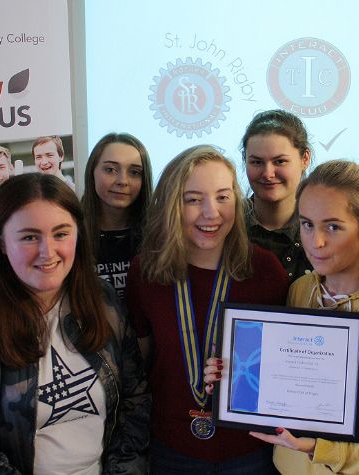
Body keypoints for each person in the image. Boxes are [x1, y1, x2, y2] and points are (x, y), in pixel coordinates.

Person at [207, 160, 359, 474]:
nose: (315, 242)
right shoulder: (301, 290)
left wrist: (325, 450)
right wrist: (233, 377)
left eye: (333, 227)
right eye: (306, 224)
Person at [0, 173, 150, 473]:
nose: (48, 252)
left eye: (61, 233)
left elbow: (135, 400)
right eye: (30, 236)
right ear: (2, 242)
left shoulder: (103, 302)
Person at [126, 145, 288, 473]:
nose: (211, 213)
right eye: (193, 199)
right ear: (172, 204)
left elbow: (286, 366)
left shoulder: (265, 270)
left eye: (223, 197)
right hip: (171, 448)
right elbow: (142, 365)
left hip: (251, 450)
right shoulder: (146, 272)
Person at [240, 110, 312, 280]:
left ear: (305, 159)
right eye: (257, 162)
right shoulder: (225, 225)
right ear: (245, 160)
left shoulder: (326, 230)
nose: (268, 174)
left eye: (280, 161)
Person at [81, 133, 153, 299]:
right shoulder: (71, 232)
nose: (123, 181)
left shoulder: (158, 235)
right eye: (111, 170)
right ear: (92, 172)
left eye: (135, 172)